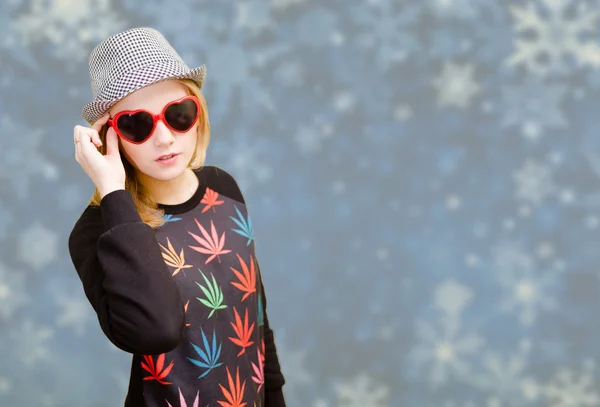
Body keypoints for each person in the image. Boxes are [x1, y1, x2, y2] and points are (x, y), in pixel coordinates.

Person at [68, 27, 286, 407]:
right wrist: (114, 192)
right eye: (137, 124)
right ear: (107, 137)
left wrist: (275, 396)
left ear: (197, 112)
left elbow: (255, 316)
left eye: (178, 114)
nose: (165, 138)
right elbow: (156, 330)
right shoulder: (98, 231)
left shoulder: (224, 187)